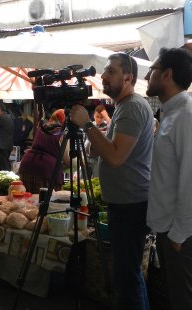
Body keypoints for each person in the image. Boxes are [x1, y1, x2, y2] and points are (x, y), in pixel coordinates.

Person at [69, 52, 154, 310]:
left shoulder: (131, 108)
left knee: (127, 277)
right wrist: (98, 143)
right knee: (128, 275)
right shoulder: (123, 107)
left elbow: (116, 157)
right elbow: (114, 150)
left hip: (131, 204)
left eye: (111, 71)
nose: (103, 76)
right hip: (126, 202)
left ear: (128, 77)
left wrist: (86, 125)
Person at [145, 47, 192, 310]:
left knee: (186, 303)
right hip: (176, 228)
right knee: (177, 299)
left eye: (152, 70)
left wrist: (179, 234)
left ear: (166, 74)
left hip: (187, 231)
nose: (146, 77)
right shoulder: (172, 114)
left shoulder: (189, 116)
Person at [18, 109, 68, 194]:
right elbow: (67, 159)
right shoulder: (62, 133)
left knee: (28, 201)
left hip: (26, 164)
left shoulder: (42, 128)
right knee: (45, 202)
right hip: (46, 170)